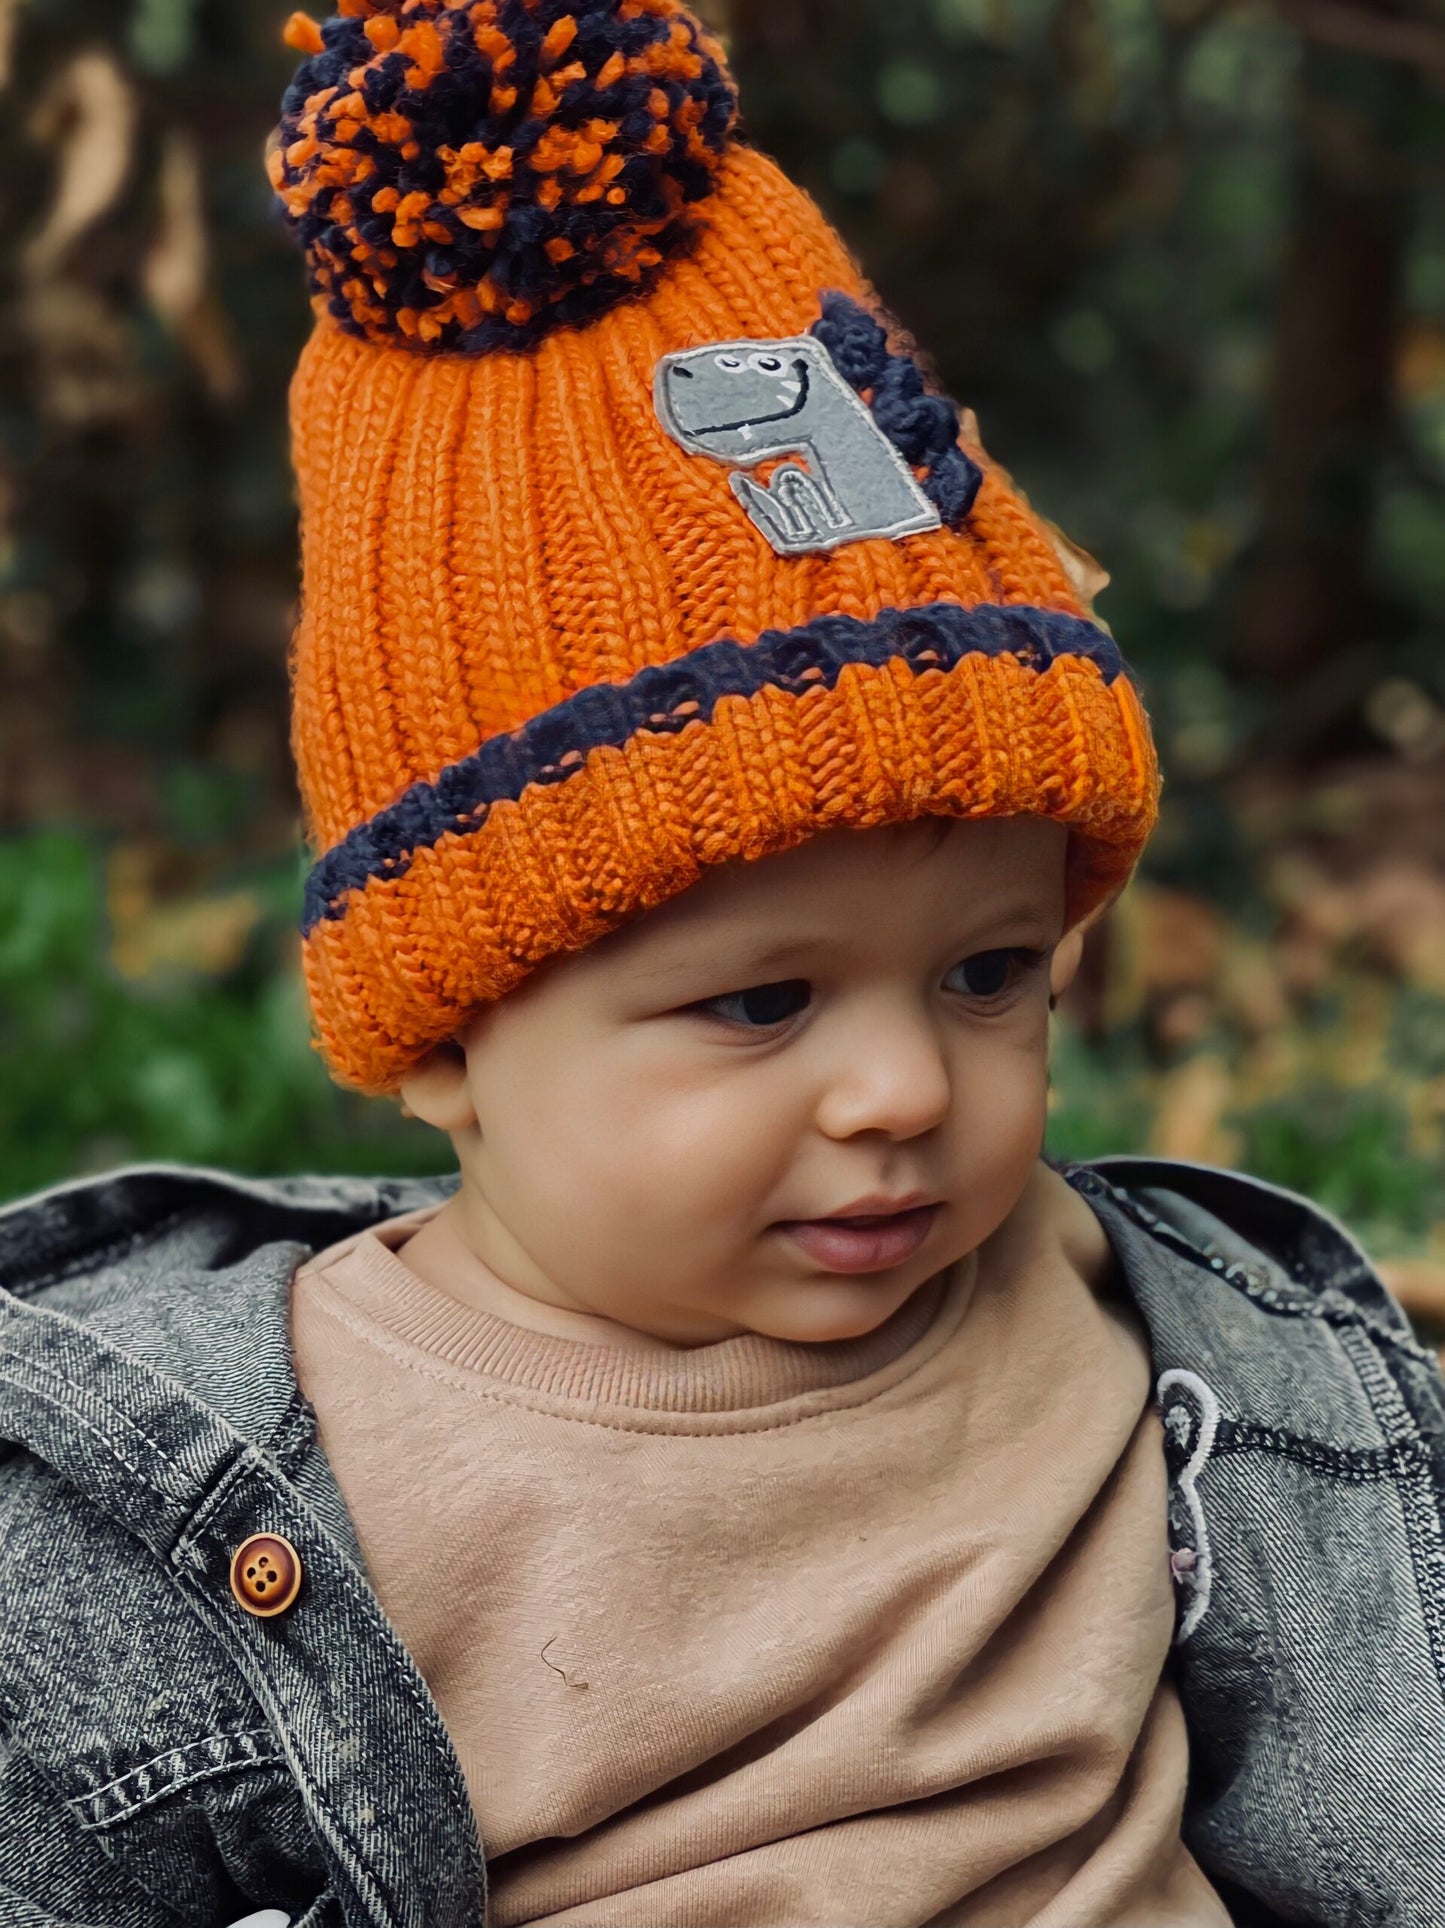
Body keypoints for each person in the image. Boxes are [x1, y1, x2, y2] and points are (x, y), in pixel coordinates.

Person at [0, 3, 1441, 1924]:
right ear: (446, 1036)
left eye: (991, 974)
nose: (906, 1093)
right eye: (762, 1001)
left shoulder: (1138, 1331)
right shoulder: (229, 1488)